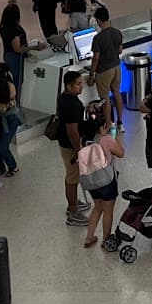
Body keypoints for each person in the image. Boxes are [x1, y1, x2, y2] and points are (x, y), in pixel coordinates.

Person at [76, 101, 125, 249]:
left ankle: (89, 237)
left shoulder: (83, 140)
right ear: (102, 127)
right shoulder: (106, 140)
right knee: (108, 210)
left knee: (97, 207)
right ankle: (105, 240)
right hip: (106, 179)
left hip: (90, 180)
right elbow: (121, 153)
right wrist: (114, 138)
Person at [56, 70, 89, 226]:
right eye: (78, 84)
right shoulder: (72, 104)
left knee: (71, 176)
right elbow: (72, 131)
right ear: (69, 86)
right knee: (72, 178)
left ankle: (73, 202)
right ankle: (73, 211)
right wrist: (78, 149)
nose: (81, 86)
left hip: (65, 143)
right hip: (70, 146)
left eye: (81, 82)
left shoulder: (64, 98)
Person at [89, 4, 125, 131]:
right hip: (116, 67)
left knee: (105, 99)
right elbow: (120, 50)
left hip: (104, 71)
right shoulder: (117, 32)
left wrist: (91, 74)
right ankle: (121, 122)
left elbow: (96, 59)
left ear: (98, 20)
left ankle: (109, 124)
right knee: (117, 93)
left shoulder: (98, 38)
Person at [0, 64, 20, 178]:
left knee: (2, 146)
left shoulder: (10, 88)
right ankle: (0, 168)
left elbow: (3, 107)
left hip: (10, 121)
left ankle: (13, 166)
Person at [0, 3, 30, 91]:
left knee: (13, 77)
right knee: (18, 79)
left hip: (7, 54)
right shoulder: (15, 30)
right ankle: (16, 98)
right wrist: (33, 47)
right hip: (16, 58)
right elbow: (17, 49)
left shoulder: (2, 26)